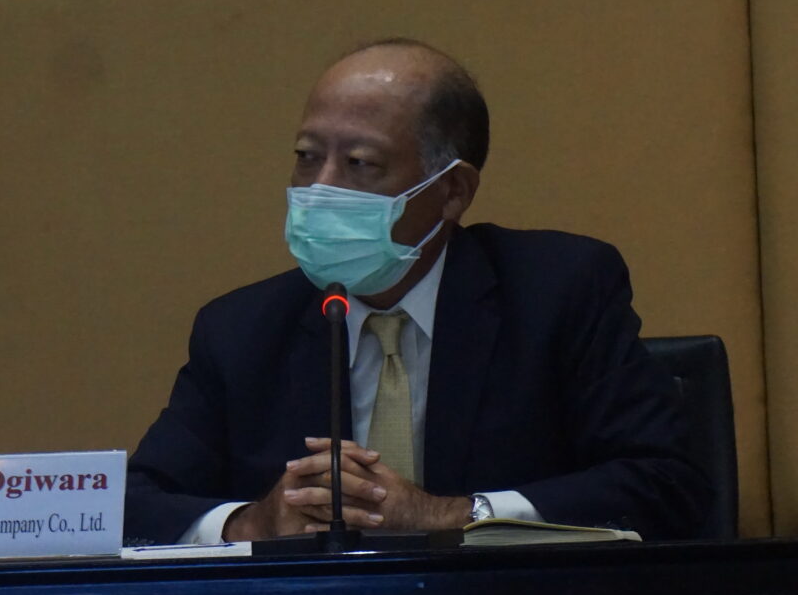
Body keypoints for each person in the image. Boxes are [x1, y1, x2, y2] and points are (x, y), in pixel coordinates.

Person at [124, 38, 710, 545]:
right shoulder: (241, 330)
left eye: (360, 164)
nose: (321, 189)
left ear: (453, 192)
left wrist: (449, 516)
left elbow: (666, 485)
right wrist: (254, 522)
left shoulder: (558, 291)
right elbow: (134, 506)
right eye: (306, 158)